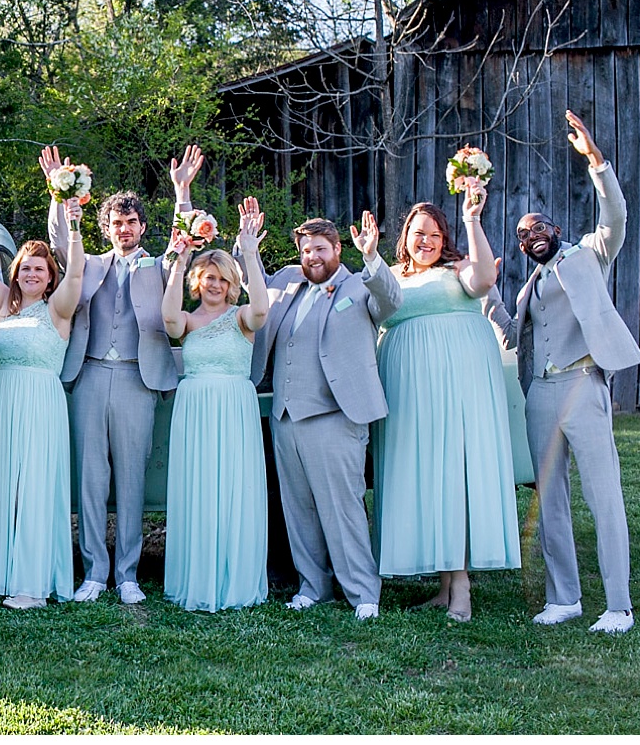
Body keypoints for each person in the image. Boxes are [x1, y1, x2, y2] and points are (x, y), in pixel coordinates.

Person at [486, 110, 640, 634]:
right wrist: (487, 289)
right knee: (548, 497)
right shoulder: (527, 285)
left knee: (604, 496)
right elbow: (512, 334)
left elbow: (615, 217)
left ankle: (618, 605)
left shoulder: (588, 255)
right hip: (541, 393)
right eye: (520, 234)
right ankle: (564, 598)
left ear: (554, 230)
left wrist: (596, 163)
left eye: (536, 228)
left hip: (583, 382)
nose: (528, 236)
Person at [40, 144, 201, 605]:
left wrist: (182, 189)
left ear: (142, 227)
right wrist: (58, 191)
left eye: (131, 223)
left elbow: (183, 238)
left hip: (138, 378)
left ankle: (127, 573)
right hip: (89, 376)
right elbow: (57, 240)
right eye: (116, 223)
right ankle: (94, 571)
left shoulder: (160, 264)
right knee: (91, 476)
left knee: (131, 478)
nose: (123, 229)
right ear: (105, 228)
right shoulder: (87, 265)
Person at [371, 189, 521, 622]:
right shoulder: (393, 275)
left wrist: (472, 218)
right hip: (408, 388)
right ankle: (443, 585)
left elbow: (484, 282)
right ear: (405, 236)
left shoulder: (456, 268)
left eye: (436, 234)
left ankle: (462, 588)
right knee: (427, 475)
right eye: (420, 233)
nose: (427, 241)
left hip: (458, 380)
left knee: (453, 471)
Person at [253, 213, 400, 620]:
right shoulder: (286, 282)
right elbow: (250, 290)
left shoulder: (360, 285)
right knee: (298, 508)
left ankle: (363, 592)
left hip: (336, 416)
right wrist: (246, 248)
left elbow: (390, 300)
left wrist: (371, 257)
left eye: (320, 248)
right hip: (285, 415)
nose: (312, 256)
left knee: (342, 508)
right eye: (306, 250)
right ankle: (313, 585)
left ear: (337, 249)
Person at [0, 183, 85, 609]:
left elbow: (78, 273)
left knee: (34, 486)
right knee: (1, 484)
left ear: (50, 279)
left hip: (40, 402)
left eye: (40, 270)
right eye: (25, 269)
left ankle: (31, 584)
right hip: (2, 399)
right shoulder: (3, 308)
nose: (31, 274)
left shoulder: (57, 310)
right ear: (15, 274)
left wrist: (76, 225)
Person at [159, 199, 271, 612]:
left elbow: (262, 309)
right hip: (195, 412)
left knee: (234, 491)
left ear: (231, 283)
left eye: (222, 279)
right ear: (197, 282)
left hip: (233, 410)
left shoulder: (243, 317)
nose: (214, 285)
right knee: (199, 491)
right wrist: (180, 259)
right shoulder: (188, 321)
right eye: (207, 277)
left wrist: (250, 252)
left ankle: (233, 581)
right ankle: (198, 576)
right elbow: (168, 319)